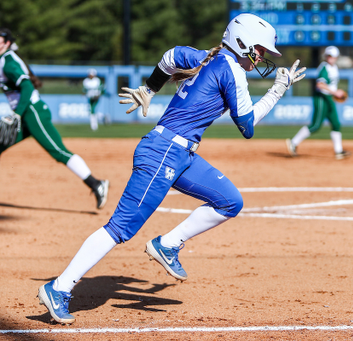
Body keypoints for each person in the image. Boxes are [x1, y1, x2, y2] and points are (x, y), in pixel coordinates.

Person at [37, 13, 306, 324]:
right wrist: (277, 91)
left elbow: (170, 56)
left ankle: (167, 244)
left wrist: (150, 89)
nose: (261, 56)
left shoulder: (207, 56)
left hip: (180, 154)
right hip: (164, 152)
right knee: (119, 229)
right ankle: (59, 288)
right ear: (242, 42)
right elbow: (247, 126)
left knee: (230, 201)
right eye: (259, 49)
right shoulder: (230, 68)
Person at [0, 28, 109, 209]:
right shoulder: (5, 60)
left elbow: (27, 87)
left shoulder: (8, 61)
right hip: (26, 113)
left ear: (8, 43)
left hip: (32, 112)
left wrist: (17, 114)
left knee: (59, 151)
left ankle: (96, 184)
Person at [286, 45, 351, 160]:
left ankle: (339, 151)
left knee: (336, 124)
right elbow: (320, 84)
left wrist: (333, 93)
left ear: (336, 57)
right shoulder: (324, 68)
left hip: (329, 98)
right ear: (325, 56)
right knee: (316, 125)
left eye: (333, 56)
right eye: (329, 55)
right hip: (321, 98)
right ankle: (293, 143)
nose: (331, 58)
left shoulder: (334, 67)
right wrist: (335, 92)